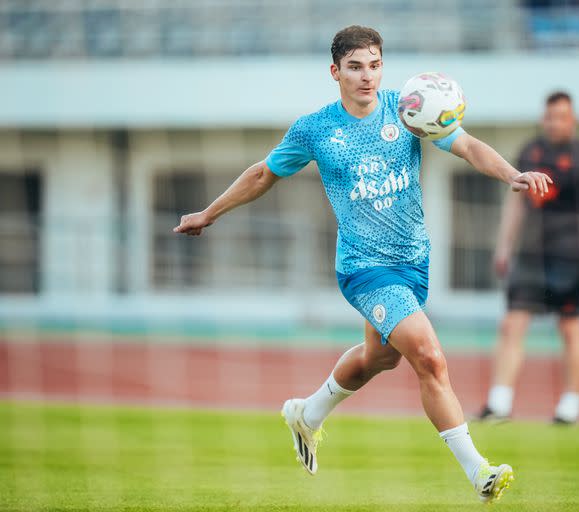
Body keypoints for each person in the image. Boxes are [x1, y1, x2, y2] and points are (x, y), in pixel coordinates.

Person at [173, 25, 551, 503]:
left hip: (414, 263)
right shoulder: (314, 128)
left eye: (374, 64)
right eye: (355, 67)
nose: (366, 76)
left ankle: (306, 414)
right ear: (335, 72)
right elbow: (262, 174)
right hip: (364, 268)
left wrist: (513, 175)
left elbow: (468, 145)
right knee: (430, 359)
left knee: (380, 358)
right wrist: (208, 213)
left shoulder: (409, 108)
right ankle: (480, 473)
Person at [477, 91, 579, 425]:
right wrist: (504, 246)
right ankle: (499, 403)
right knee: (512, 324)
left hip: (569, 257)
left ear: (573, 120)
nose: (555, 122)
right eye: (550, 116)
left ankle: (570, 406)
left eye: (562, 117)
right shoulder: (530, 151)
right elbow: (516, 201)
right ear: (544, 118)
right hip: (528, 255)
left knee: (570, 328)